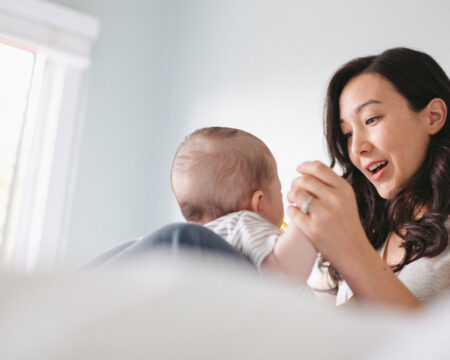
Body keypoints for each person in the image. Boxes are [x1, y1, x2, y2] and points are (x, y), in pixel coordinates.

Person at [287, 47, 450, 309]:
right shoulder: (370, 226)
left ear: (433, 117)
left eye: (371, 119)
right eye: (348, 133)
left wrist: (351, 248)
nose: (357, 148)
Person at [171, 127, 317, 281]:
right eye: (279, 191)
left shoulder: (196, 251)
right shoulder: (243, 223)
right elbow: (286, 269)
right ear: (258, 202)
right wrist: (307, 213)